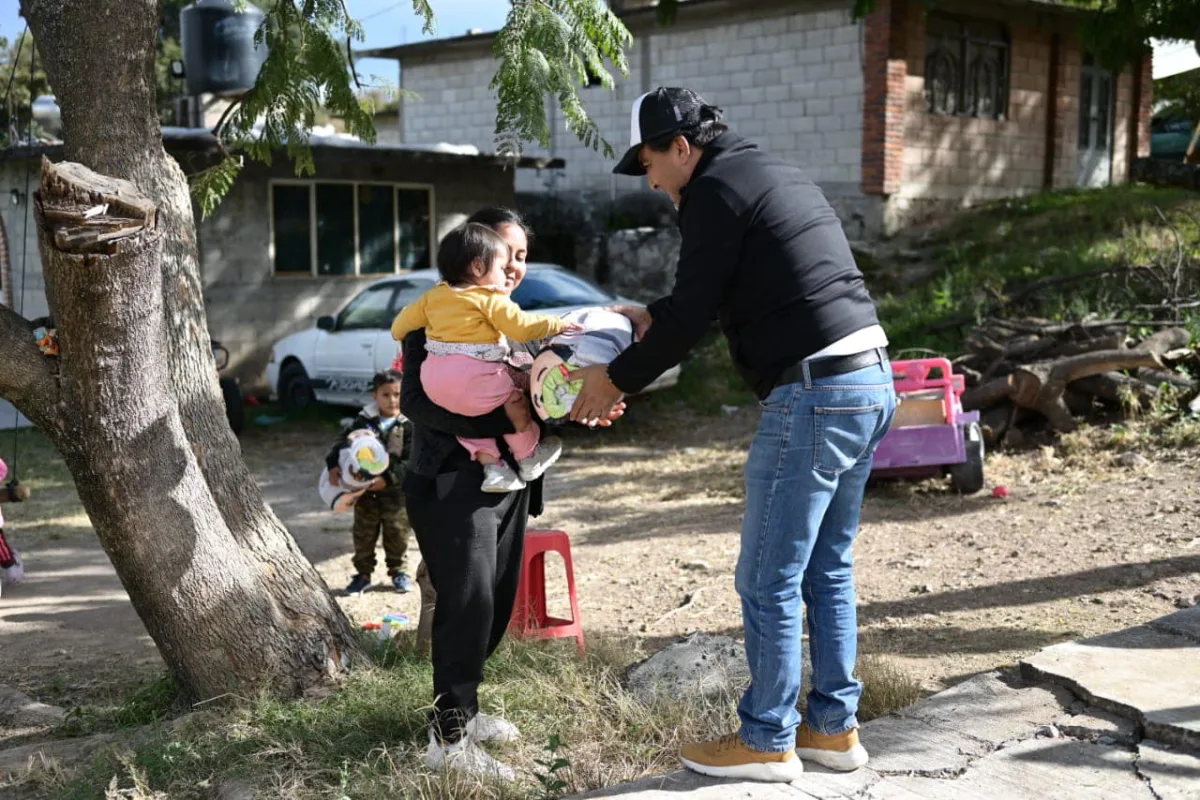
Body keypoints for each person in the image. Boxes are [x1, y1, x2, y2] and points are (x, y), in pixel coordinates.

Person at [569, 87, 897, 783]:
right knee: (826, 568)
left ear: (681, 147)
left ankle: (768, 738)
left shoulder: (713, 191)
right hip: (870, 378)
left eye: (650, 164)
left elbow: (693, 316)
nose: (652, 182)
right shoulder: (769, 172)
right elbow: (719, 294)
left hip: (814, 393)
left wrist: (612, 381)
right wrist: (653, 314)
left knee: (767, 577)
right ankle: (833, 731)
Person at [397, 207, 627, 781]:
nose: (518, 267)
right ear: (476, 255)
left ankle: (464, 713)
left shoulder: (503, 317)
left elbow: (536, 390)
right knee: (468, 599)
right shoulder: (442, 315)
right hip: (453, 481)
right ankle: (447, 743)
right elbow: (418, 404)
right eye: (509, 253)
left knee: (495, 600)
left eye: (524, 256)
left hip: (509, 479)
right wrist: (504, 415)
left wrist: (576, 407)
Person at [391, 222, 576, 493]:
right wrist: (556, 324)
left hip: (434, 383)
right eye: (502, 266)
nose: (509, 271)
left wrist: (399, 336)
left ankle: (493, 465)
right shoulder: (490, 298)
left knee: (462, 407)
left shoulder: (432, 298)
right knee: (512, 397)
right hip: (473, 381)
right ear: (478, 266)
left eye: (521, 257)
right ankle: (527, 456)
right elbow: (521, 327)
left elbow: (400, 325)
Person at [325, 370, 414, 595]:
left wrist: (388, 479)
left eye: (397, 394)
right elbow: (341, 442)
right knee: (363, 534)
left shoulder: (409, 424)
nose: (392, 400)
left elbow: (412, 460)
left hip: (396, 495)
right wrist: (333, 463)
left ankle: (398, 572)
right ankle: (363, 575)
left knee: (397, 533)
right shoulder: (363, 420)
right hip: (365, 493)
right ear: (375, 395)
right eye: (386, 395)